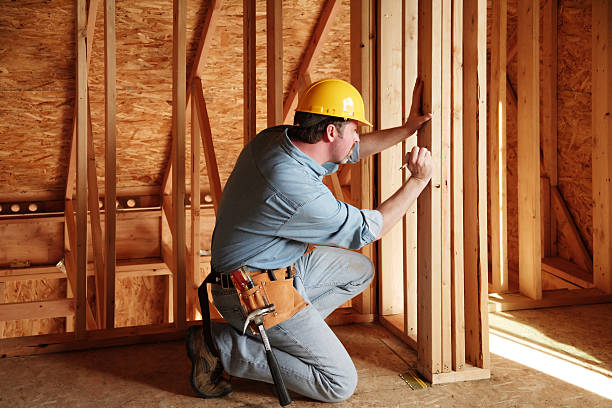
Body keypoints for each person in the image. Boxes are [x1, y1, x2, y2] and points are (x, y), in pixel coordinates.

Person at [185, 78, 433, 402]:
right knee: (339, 383)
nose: (358, 136)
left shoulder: (277, 139)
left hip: (267, 269)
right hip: (250, 293)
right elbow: (369, 230)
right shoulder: (296, 189)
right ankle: (222, 346)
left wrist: (406, 130)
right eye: (354, 128)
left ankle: (286, 336)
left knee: (358, 270)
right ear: (331, 132)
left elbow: (351, 150)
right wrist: (418, 180)